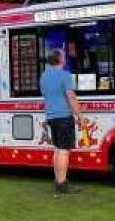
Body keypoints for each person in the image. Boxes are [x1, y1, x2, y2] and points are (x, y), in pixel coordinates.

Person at [39, 48, 82, 195]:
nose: (66, 57)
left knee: (57, 149)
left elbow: (45, 95)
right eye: (64, 56)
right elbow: (71, 96)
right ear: (59, 59)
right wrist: (80, 115)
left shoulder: (44, 76)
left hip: (51, 116)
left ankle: (58, 181)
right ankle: (63, 184)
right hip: (64, 116)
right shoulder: (65, 75)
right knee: (64, 151)